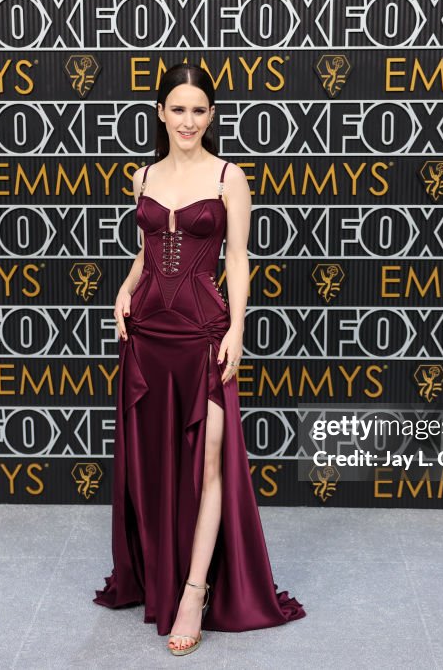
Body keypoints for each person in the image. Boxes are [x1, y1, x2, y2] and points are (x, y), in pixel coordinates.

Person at [93, 63, 306, 656]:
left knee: (209, 462)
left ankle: (192, 592)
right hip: (147, 333)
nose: (188, 119)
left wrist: (239, 326)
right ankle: (160, 571)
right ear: (160, 113)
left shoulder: (229, 176)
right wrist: (122, 290)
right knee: (157, 462)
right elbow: (146, 253)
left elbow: (237, 259)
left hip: (204, 333)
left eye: (199, 109)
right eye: (178, 108)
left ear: (211, 116)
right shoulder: (143, 176)